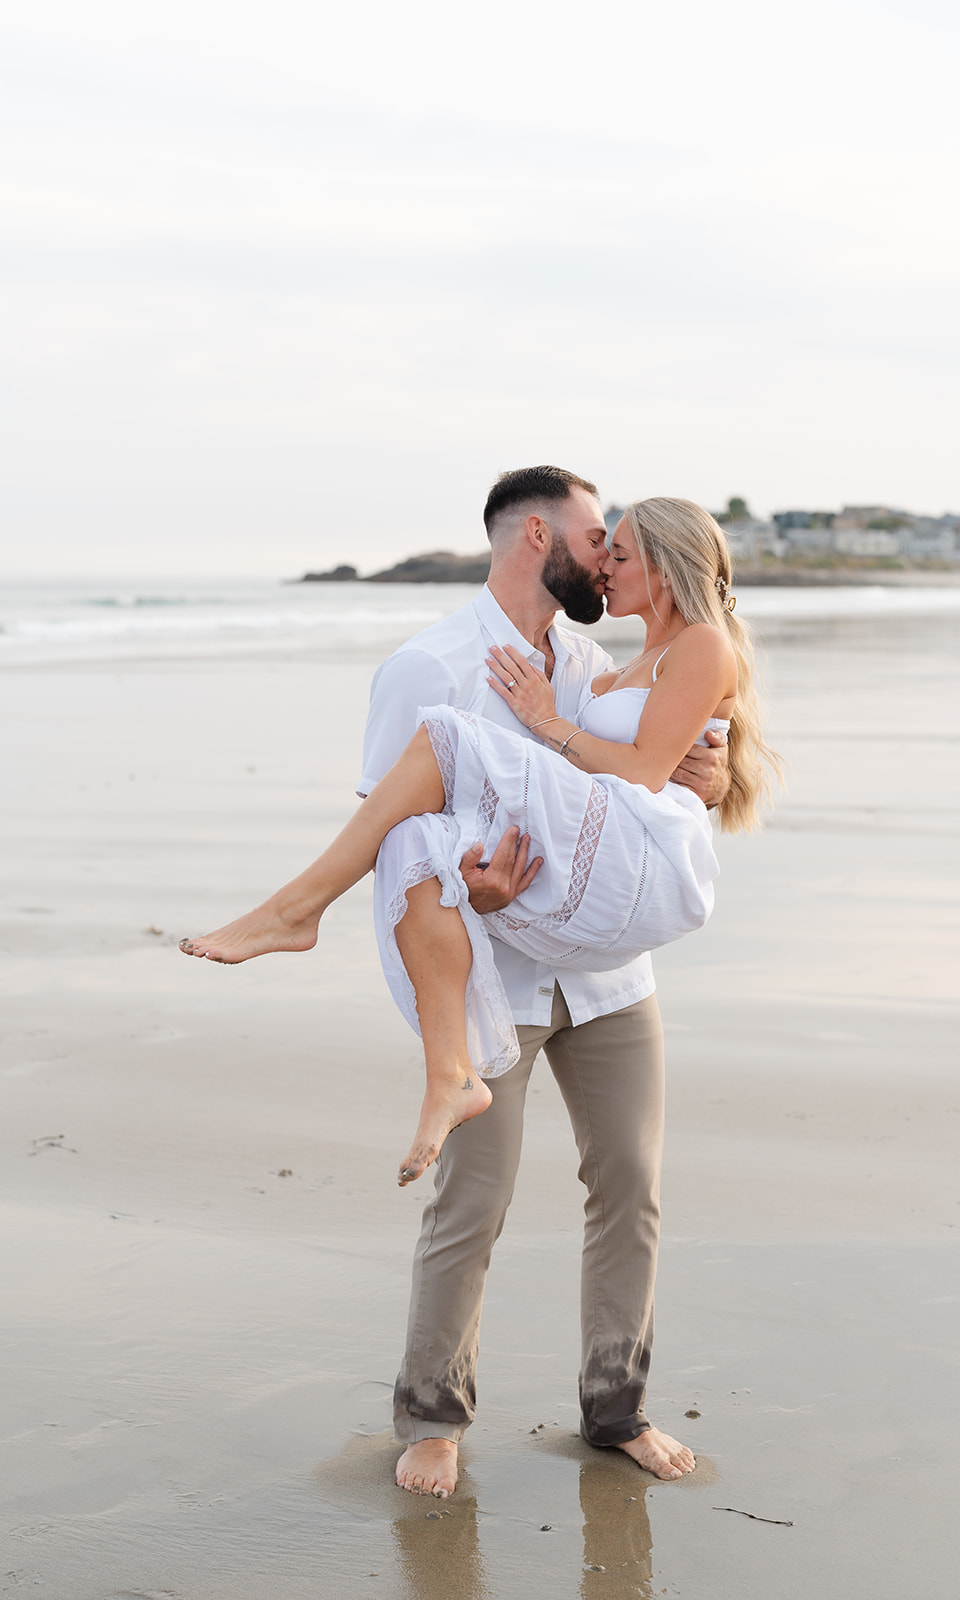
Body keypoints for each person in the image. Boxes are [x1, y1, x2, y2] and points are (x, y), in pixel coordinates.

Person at [182, 468, 764, 1494]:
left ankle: (615, 1406)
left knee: (629, 1184)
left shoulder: (586, 659)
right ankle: (432, 1417)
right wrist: (479, 894)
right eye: (596, 537)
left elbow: (642, 776)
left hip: (606, 970)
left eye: (617, 545)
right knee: (473, 1199)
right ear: (536, 535)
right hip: (495, 968)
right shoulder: (425, 665)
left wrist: (700, 773)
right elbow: (395, 844)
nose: (604, 557)